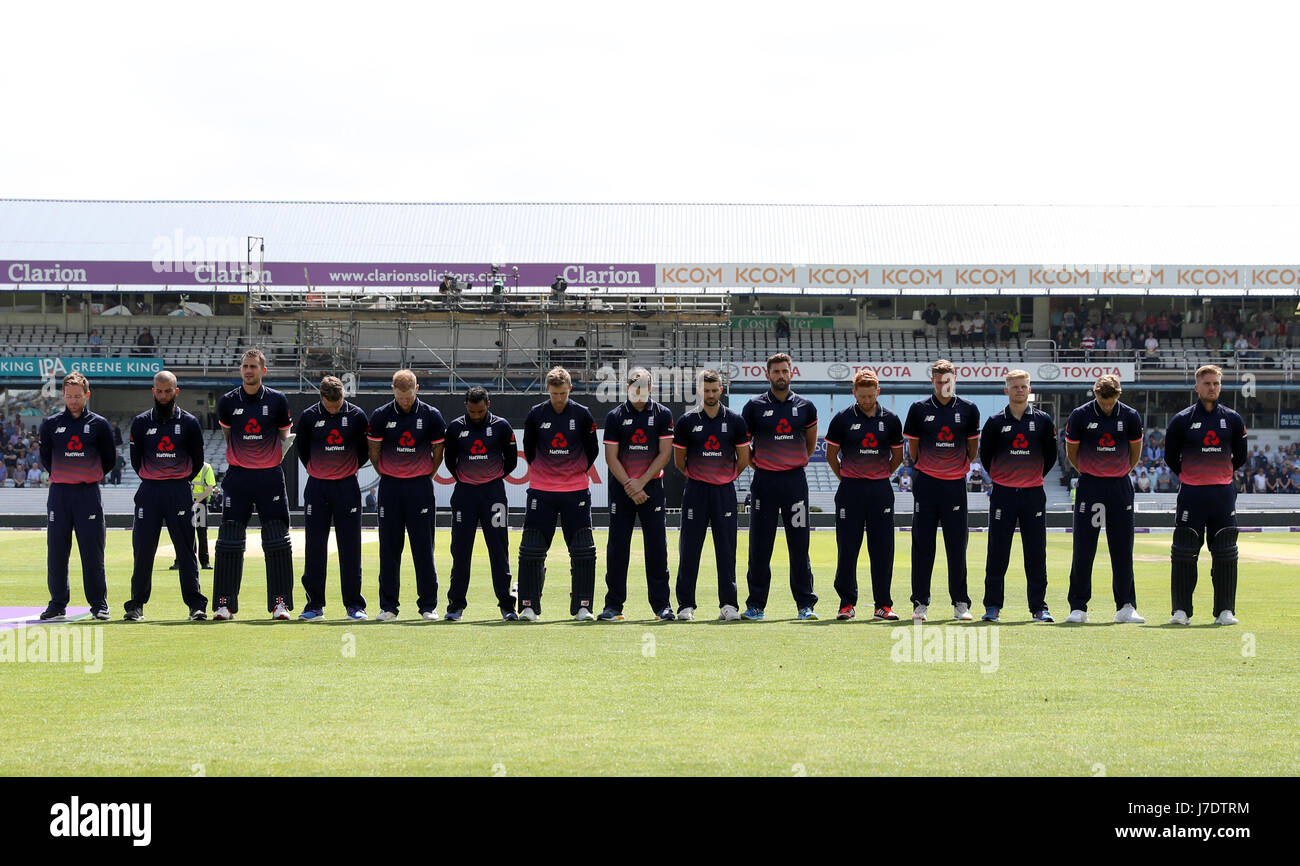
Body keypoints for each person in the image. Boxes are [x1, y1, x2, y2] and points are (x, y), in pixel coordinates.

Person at [212, 349, 295, 621]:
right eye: (245, 366)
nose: (248, 371)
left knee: (277, 539)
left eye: (253, 367)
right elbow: (228, 435)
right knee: (230, 539)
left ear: (263, 370)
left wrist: (264, 459)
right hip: (238, 477)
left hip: (269, 476)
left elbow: (285, 437)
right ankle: (225, 604)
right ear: (240, 369)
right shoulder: (226, 401)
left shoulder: (277, 400)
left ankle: (280, 604)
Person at [1165, 365, 1248, 626]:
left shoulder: (1233, 419)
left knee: (1225, 551)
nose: (1212, 387)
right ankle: (1181, 611)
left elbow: (1241, 456)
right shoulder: (1182, 420)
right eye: (1207, 383)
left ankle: (1224, 611)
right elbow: (1171, 457)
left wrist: (1218, 475)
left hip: (1222, 494)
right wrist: (1194, 476)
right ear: (1197, 387)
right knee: (1184, 550)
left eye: (1216, 383)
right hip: (1191, 494)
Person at [516, 367, 600, 621]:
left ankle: (583, 607)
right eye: (554, 394)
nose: (559, 399)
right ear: (548, 391)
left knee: (583, 549)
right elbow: (528, 448)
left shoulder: (583, 415)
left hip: (576, 491)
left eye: (563, 393)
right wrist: (546, 473)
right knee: (532, 548)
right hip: (542, 490)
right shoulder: (536, 414)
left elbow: (592, 450)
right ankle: (529, 606)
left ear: (570, 389)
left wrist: (574, 473)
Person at [124, 371, 208, 621]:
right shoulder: (140, 422)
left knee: (186, 550)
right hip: (149, 491)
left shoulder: (190, 423)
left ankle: (196, 605)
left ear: (176, 392)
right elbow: (135, 460)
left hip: (179, 490)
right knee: (142, 550)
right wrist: (155, 477)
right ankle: (136, 605)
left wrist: (177, 477)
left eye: (167, 391)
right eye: (159, 391)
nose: (163, 396)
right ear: (153, 391)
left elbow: (198, 461)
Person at [740, 352, 819, 620]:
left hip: (795, 482)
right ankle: (756, 605)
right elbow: (744, 448)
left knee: (799, 545)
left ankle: (805, 605)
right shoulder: (754, 407)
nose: (781, 376)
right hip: (764, 482)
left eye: (785, 371)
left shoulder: (806, 407)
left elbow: (809, 445)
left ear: (791, 373)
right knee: (760, 546)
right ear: (768, 374)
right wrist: (762, 466)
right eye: (776, 372)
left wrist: (792, 463)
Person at [1063, 375, 1146, 623]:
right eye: (1102, 399)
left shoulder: (1130, 416)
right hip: (1090, 485)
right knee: (1083, 547)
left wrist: (1116, 473)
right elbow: (1072, 453)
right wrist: (1093, 472)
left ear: (1119, 395)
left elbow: (1134, 454)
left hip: (1119, 485)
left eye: (1111, 400)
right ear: (1095, 394)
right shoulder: (1080, 415)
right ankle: (1078, 607)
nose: (1107, 405)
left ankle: (1126, 606)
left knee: (1122, 548)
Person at [978, 370, 1058, 623]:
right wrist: (1007, 478)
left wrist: (1030, 477)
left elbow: (1051, 456)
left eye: (1024, 386)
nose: (1020, 390)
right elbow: (986, 457)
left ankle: (1039, 607)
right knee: (998, 551)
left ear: (1029, 389)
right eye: (1015, 387)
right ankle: (992, 607)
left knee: (1036, 552)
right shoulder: (994, 422)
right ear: (1006, 390)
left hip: (1033, 493)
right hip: (1003, 493)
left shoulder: (1044, 421)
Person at [824, 368, 904, 621]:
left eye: (871, 396)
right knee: (847, 548)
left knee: (882, 549)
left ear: (877, 392)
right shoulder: (842, 418)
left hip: (880, 490)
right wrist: (848, 477)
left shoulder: (891, 419)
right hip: (850, 490)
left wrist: (879, 476)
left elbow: (898, 456)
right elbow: (831, 455)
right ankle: (847, 604)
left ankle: (883, 605)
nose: (867, 401)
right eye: (862, 396)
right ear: (854, 393)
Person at [903, 359, 980, 621]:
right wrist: (926, 466)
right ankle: (920, 603)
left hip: (954, 484)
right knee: (923, 545)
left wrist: (954, 467)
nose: (944, 383)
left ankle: (960, 603)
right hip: (926, 483)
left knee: (956, 546)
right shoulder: (918, 409)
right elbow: (912, 450)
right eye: (939, 379)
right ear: (933, 381)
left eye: (948, 379)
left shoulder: (969, 409)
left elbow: (972, 449)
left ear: (954, 379)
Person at [367, 370, 446, 621]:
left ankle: (428, 606)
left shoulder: (431, 415)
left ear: (417, 389)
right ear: (393, 390)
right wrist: (390, 476)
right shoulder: (381, 416)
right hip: (390, 488)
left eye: (409, 397)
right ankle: (388, 607)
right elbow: (374, 453)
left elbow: (438, 454)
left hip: (420, 488)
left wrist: (422, 476)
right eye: (400, 397)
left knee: (423, 548)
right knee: (389, 549)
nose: (405, 401)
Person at [672, 369, 750, 621]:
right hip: (696, 491)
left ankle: (728, 605)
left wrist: (723, 477)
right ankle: (686, 605)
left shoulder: (736, 421)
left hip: (724, 492)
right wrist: (701, 476)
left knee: (726, 549)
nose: (711, 394)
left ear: (721, 390)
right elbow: (679, 461)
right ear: (699, 391)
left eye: (715, 390)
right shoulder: (686, 421)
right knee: (690, 549)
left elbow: (744, 459)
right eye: (706, 390)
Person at [37, 372, 116, 621]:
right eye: (69, 396)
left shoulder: (99, 424)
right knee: (57, 551)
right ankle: (57, 603)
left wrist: (86, 473)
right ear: (63, 395)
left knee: (92, 551)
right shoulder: (50, 424)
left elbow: (109, 459)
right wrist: (64, 474)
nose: (73, 400)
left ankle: (99, 604)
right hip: (59, 494)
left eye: (77, 396)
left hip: (87, 493)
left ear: (87, 395)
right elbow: (45, 458)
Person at [598, 368, 675, 621]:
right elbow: (611, 457)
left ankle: (662, 606)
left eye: (643, 387)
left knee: (656, 548)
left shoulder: (663, 414)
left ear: (651, 388)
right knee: (618, 547)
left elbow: (664, 454)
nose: (638, 392)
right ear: (627, 387)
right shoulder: (615, 416)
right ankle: (613, 606)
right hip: (623, 489)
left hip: (650, 487)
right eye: (634, 387)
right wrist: (631, 486)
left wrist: (641, 482)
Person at [295, 376, 371, 621]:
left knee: (350, 547)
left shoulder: (357, 416)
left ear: (343, 396)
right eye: (330, 406)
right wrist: (320, 471)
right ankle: (314, 605)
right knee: (315, 546)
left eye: (338, 404)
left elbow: (363, 452)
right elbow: (303, 451)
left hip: (347, 487)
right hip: (317, 487)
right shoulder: (308, 416)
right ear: (321, 398)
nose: (334, 409)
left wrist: (344, 470)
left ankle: (354, 606)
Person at [443, 386, 518, 621]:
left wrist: (490, 478)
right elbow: (449, 461)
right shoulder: (455, 428)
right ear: (466, 405)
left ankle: (507, 605)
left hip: (493, 494)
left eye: (481, 411)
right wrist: (468, 480)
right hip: (465, 494)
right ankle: (455, 606)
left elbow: (512, 461)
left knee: (499, 549)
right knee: (460, 551)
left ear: (488, 406)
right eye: (472, 411)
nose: (476, 415)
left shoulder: (501, 427)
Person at [171, 459, 217, 570]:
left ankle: (204, 562)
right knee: (183, 533)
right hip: (186, 503)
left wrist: (195, 502)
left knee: (201, 533)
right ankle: (181, 561)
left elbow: (209, 487)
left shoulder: (206, 467)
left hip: (199, 503)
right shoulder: (183, 465)